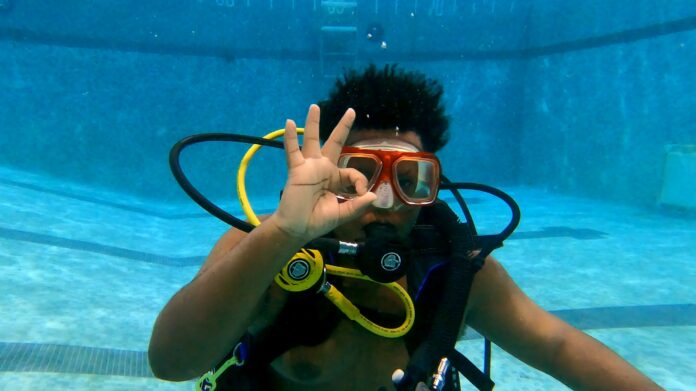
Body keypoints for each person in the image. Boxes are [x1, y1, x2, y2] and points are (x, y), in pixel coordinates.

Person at [148, 65, 663, 390]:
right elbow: (171, 361)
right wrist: (280, 235)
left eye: (411, 179)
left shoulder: (454, 269)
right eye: (360, 176)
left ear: (432, 188)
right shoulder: (268, 252)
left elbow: (558, 346)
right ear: (327, 178)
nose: (384, 202)